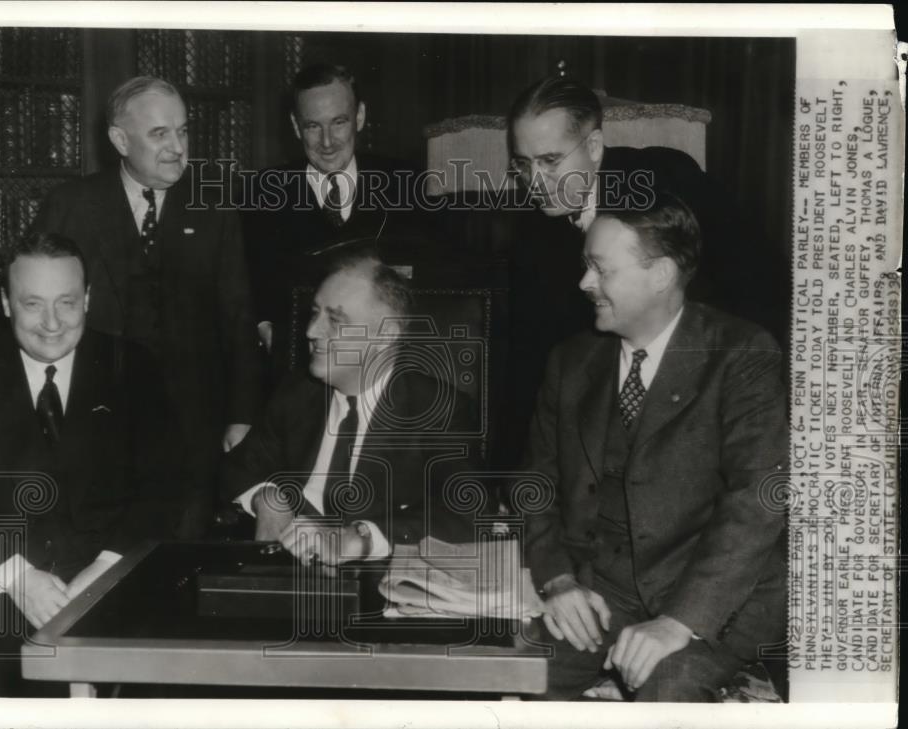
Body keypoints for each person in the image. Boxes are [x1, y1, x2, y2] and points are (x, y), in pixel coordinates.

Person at [523, 193, 787, 701]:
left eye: (601, 269)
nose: (584, 283)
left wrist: (680, 622)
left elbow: (758, 500)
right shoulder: (570, 361)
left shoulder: (740, 353)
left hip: (713, 602)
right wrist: (556, 578)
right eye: (585, 266)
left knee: (668, 690)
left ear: (661, 274)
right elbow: (537, 483)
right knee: (510, 671)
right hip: (601, 591)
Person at [0, 233, 178, 697]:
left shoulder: (133, 367)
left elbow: (163, 490)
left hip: (111, 574)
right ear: (4, 302)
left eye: (66, 303)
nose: (52, 324)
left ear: (87, 298)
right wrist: (19, 577)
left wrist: (102, 573)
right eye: (32, 304)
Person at [500, 74, 786, 469]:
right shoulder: (533, 231)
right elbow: (528, 355)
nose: (535, 182)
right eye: (523, 164)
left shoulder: (665, 181)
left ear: (595, 146)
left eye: (550, 161)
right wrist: (512, 472)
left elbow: (762, 282)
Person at [33, 76, 262, 538]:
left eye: (182, 131)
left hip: (191, 430)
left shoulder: (214, 206)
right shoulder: (71, 206)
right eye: (160, 134)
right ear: (120, 139)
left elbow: (237, 317)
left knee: (179, 563)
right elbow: (39, 313)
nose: (178, 147)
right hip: (95, 426)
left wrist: (241, 415)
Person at [221, 247, 483, 563]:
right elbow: (233, 469)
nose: (311, 331)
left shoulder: (437, 409)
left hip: (376, 585)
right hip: (287, 572)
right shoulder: (297, 393)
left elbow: (468, 512)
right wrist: (267, 498)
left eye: (335, 319)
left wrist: (361, 538)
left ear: (386, 334)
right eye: (315, 313)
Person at [242, 63, 427, 376]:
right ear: (296, 126)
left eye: (339, 122)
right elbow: (245, 283)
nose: (327, 142)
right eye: (313, 126)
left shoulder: (406, 183)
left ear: (360, 117)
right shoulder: (261, 191)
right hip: (297, 369)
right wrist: (263, 327)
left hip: (385, 367)